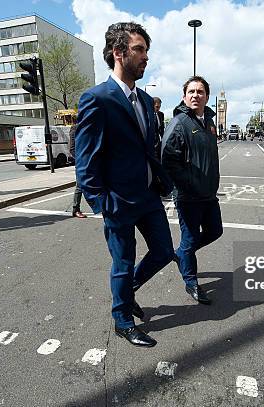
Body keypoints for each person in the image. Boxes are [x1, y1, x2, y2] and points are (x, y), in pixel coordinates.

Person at [74, 22, 174, 348]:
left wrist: (163, 181)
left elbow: (150, 147)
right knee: (123, 262)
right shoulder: (96, 99)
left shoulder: (145, 100)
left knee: (163, 252)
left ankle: (126, 292)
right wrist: (102, 203)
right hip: (118, 200)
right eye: (139, 50)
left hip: (147, 196)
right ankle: (122, 320)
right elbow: (85, 159)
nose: (146, 57)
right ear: (119, 52)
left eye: (146, 50)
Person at [161, 76, 223, 305]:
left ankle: (181, 256)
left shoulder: (208, 122)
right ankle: (191, 282)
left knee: (215, 231)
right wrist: (188, 184)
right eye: (192, 92)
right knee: (189, 239)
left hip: (208, 193)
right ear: (184, 96)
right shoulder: (179, 123)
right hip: (188, 195)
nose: (196, 95)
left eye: (200, 92)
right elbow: (168, 160)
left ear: (207, 96)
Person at [68, 125, 87, 218]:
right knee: (80, 186)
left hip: (91, 161)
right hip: (81, 162)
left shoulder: (88, 126)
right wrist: (81, 160)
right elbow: (72, 149)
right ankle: (75, 209)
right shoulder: (75, 129)